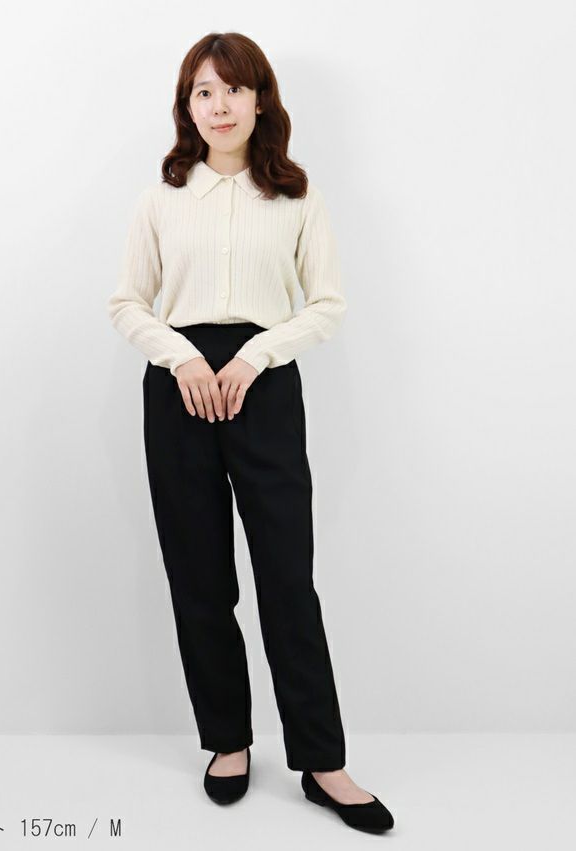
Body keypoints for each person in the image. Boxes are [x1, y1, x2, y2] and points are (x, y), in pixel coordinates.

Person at [107, 31, 395, 834]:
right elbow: (127, 301)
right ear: (187, 106)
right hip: (179, 391)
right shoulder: (160, 200)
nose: (219, 104)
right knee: (199, 577)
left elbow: (326, 304)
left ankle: (322, 762)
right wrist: (181, 357)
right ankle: (227, 742)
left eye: (233, 89)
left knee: (286, 578)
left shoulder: (297, 198)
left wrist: (256, 354)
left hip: (263, 391)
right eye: (203, 91)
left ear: (260, 100)